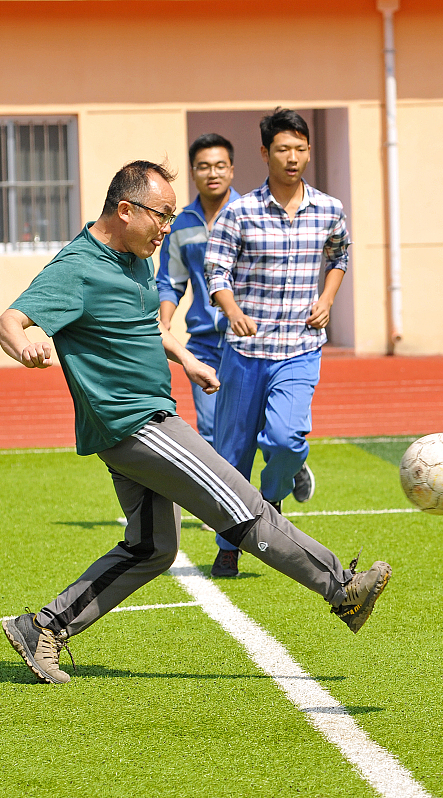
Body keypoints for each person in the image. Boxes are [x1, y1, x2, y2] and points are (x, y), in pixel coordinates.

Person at [0, 160, 390, 684]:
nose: (167, 228)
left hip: (140, 420)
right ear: (126, 209)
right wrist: (28, 346)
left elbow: (141, 326)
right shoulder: (77, 269)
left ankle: (42, 626)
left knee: (152, 548)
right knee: (242, 506)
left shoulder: (134, 257)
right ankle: (341, 588)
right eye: (162, 215)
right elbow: (8, 322)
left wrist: (186, 358)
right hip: (136, 423)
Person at [205, 108, 344, 537]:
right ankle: (228, 546)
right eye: (283, 149)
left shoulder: (329, 209)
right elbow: (216, 270)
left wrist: (327, 298)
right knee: (232, 455)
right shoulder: (239, 212)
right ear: (265, 153)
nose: (293, 157)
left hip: (300, 348)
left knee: (286, 440)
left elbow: (339, 256)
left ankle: (273, 494)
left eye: (301, 149)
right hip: (245, 353)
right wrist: (232, 310)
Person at [156, 133, 242, 577]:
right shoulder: (182, 223)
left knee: (269, 433)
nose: (213, 172)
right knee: (212, 431)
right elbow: (169, 281)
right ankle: (230, 536)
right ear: (194, 172)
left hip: (253, 343)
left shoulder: (251, 215)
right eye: (204, 166)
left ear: (232, 169)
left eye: (220, 165)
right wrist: (165, 324)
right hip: (206, 343)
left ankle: (282, 480)